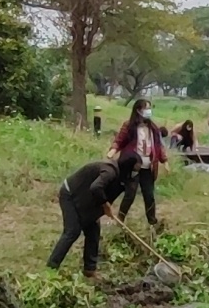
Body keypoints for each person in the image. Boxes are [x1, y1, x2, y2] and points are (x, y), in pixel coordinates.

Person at [48, 151, 139, 278]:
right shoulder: (110, 171)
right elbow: (96, 187)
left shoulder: (126, 177)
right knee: (72, 231)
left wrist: (121, 216)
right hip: (70, 194)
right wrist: (105, 204)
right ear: (128, 166)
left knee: (93, 232)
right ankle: (51, 268)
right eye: (136, 168)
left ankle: (89, 270)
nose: (137, 172)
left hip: (87, 201)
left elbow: (130, 194)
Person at [109, 99, 168, 227]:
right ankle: (120, 219)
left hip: (148, 167)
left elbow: (158, 146)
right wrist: (112, 151)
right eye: (146, 108)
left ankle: (152, 222)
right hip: (134, 165)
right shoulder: (129, 126)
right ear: (138, 110)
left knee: (149, 195)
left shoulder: (153, 128)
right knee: (130, 193)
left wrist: (165, 161)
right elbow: (119, 141)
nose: (148, 111)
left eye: (149, 108)